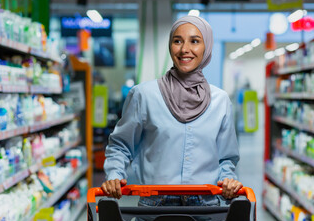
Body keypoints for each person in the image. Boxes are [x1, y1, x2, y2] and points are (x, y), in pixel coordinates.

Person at [101, 15, 242, 210]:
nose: (185, 49)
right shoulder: (144, 95)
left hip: (206, 209)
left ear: (206, 47)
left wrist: (228, 180)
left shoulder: (220, 101)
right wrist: (115, 175)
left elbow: (226, 158)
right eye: (177, 41)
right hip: (154, 208)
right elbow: (120, 146)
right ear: (170, 46)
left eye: (195, 41)